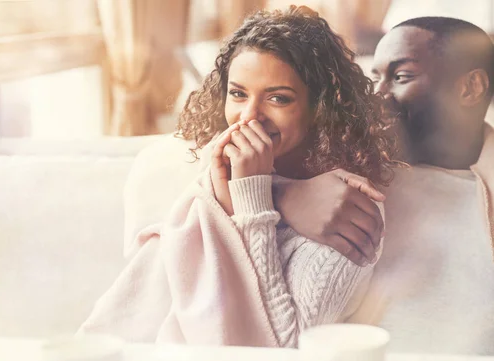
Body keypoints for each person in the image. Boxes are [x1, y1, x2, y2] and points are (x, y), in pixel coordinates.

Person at [80, 6, 397, 347]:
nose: (248, 117)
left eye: (278, 98)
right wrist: (280, 196)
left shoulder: (346, 205)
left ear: (320, 108)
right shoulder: (221, 166)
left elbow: (284, 348)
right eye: (238, 93)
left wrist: (255, 197)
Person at [280, 16, 494, 354]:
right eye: (375, 77)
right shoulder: (345, 165)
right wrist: (286, 195)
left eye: (401, 77)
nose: (377, 95)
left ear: (470, 88)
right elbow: (225, 168)